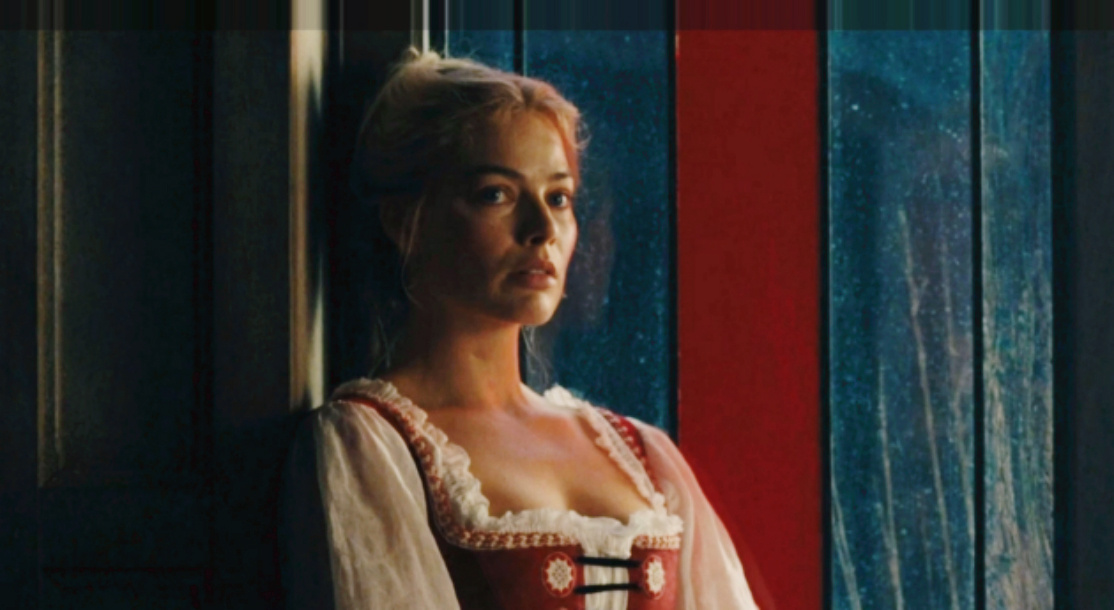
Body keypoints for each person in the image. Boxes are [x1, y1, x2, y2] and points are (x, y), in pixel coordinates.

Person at [280, 46, 760, 609]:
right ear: (405, 219)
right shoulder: (370, 445)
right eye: (496, 194)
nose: (542, 229)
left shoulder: (644, 454)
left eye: (558, 198)